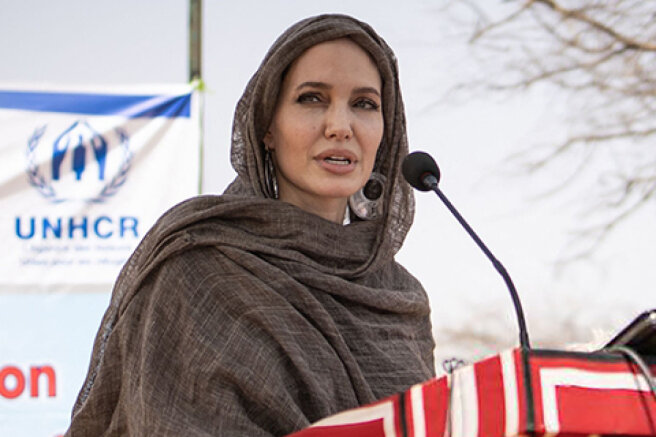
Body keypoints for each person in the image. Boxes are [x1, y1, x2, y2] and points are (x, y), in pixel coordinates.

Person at [65, 14, 435, 437]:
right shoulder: (200, 269)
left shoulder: (399, 298)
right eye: (312, 98)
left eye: (364, 104)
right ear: (267, 128)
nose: (340, 126)